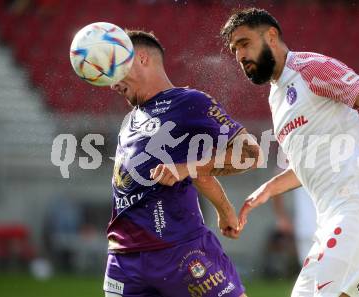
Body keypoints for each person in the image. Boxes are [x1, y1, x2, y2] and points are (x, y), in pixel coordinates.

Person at [220, 8, 359, 297]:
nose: (240, 56)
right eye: (234, 50)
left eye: (245, 43)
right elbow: (310, 162)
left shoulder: (310, 69)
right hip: (336, 220)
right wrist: (268, 190)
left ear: (271, 36)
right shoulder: (277, 97)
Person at [105, 30, 261, 297]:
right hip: (123, 261)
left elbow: (251, 153)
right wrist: (225, 211)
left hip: (179, 252)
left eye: (116, 68)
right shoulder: (130, 120)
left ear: (141, 59)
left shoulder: (189, 102)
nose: (111, 83)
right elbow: (195, 168)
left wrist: (185, 169)